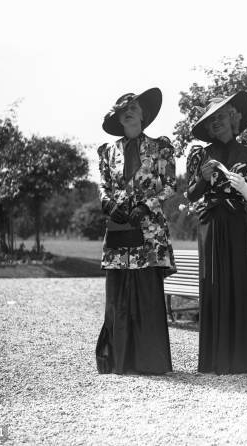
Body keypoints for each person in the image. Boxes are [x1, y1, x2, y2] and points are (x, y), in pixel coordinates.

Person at [95, 88, 177, 375]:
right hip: (118, 228)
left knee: (146, 292)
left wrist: (148, 205)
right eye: (122, 109)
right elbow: (103, 184)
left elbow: (170, 185)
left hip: (149, 231)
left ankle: (150, 361)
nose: (128, 111)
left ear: (143, 114)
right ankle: (119, 361)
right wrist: (107, 203)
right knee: (117, 293)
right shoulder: (107, 151)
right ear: (118, 117)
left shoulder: (161, 148)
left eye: (134, 107)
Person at [186, 91, 247, 374]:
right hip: (209, 223)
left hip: (236, 224)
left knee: (237, 283)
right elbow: (191, 194)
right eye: (210, 120)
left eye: (220, 116)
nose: (215, 123)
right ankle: (212, 359)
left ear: (233, 118)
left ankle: (239, 360)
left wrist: (244, 187)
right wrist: (203, 179)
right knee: (212, 283)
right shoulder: (199, 154)